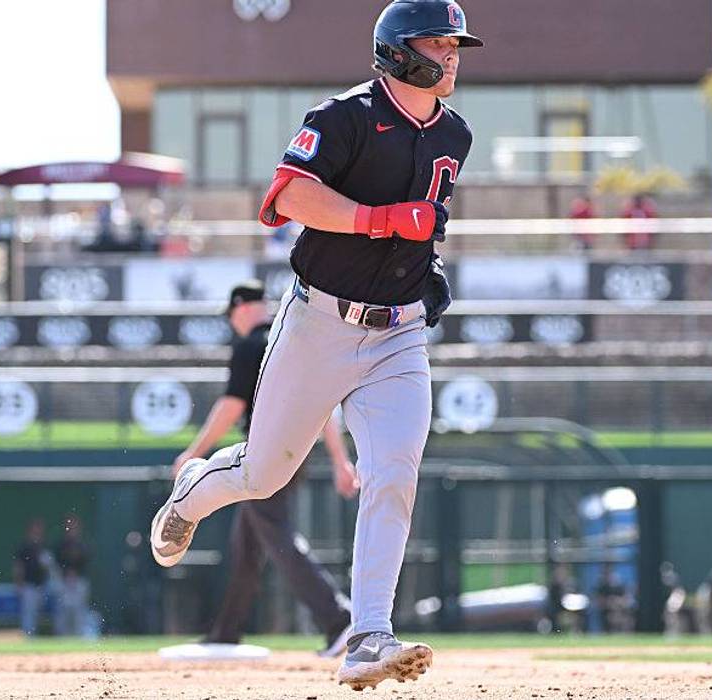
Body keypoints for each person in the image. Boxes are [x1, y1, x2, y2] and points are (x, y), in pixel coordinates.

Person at [149, 0, 478, 689]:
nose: (450, 55)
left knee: (394, 472)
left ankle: (367, 637)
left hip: (398, 332)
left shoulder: (455, 134)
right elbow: (287, 196)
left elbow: (422, 224)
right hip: (318, 323)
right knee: (263, 474)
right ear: (397, 49)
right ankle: (191, 493)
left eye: (455, 45)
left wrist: (424, 271)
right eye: (438, 43)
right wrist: (384, 221)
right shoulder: (345, 116)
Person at [171, 280, 356, 656]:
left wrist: (194, 452)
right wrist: (340, 459)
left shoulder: (252, 344)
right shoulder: (290, 339)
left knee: (275, 533)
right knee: (247, 547)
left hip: (265, 456)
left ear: (240, 308)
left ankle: (339, 620)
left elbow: (232, 406)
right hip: (296, 450)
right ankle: (226, 633)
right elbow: (322, 408)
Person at [13, 518, 53, 636]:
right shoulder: (24, 547)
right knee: (28, 615)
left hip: (43, 586)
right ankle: (29, 637)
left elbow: (50, 568)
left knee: (40, 614)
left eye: (39, 530)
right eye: (34, 530)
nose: (37, 533)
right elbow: (18, 567)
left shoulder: (45, 546)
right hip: (28, 585)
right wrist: (18, 584)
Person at [53, 514, 90, 637]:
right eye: (69, 525)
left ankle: (79, 637)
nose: (71, 528)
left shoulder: (82, 545)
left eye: (74, 525)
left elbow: (86, 561)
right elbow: (56, 562)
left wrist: (75, 573)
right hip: (63, 581)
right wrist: (66, 572)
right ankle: (61, 637)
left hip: (78, 581)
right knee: (63, 611)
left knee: (78, 611)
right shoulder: (60, 545)